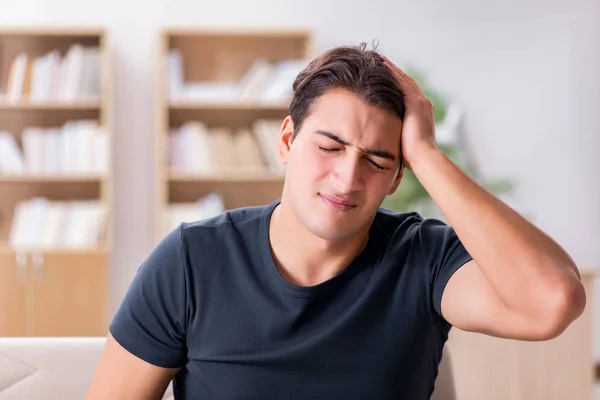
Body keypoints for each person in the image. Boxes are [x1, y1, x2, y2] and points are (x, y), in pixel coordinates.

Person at [86, 43, 586, 400]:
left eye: (377, 160)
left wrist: (427, 156)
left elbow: (552, 301)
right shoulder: (191, 261)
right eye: (329, 147)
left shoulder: (425, 259)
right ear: (286, 142)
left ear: (396, 177)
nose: (347, 179)